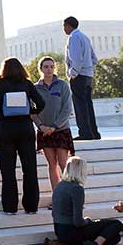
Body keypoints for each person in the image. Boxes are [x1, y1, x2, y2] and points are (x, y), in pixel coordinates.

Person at [0, 57, 45, 215]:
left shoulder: (0, 84)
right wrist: (32, 112)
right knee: (30, 169)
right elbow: (42, 103)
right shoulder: (27, 84)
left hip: (5, 130)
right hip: (25, 128)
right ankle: (31, 206)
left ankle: (10, 207)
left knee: (8, 171)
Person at [53, 156, 123, 245]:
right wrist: (87, 221)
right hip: (72, 231)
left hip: (59, 230)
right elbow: (78, 222)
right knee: (116, 224)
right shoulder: (76, 188)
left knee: (115, 237)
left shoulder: (60, 186)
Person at [33, 56, 74, 189]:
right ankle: (57, 196)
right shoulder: (35, 88)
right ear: (40, 69)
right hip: (44, 132)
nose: (49, 69)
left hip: (61, 130)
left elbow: (67, 108)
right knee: (52, 165)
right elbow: (31, 111)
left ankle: (71, 195)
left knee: (64, 164)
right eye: (46, 67)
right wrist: (41, 126)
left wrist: (55, 126)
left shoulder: (63, 85)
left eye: (51, 66)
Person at [63, 16, 100, 140]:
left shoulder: (73, 38)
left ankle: (85, 133)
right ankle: (94, 132)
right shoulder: (85, 37)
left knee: (80, 105)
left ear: (69, 25)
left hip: (79, 76)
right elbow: (94, 59)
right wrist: (90, 69)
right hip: (88, 76)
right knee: (88, 105)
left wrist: (73, 73)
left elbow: (76, 58)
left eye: (64, 26)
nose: (64, 29)